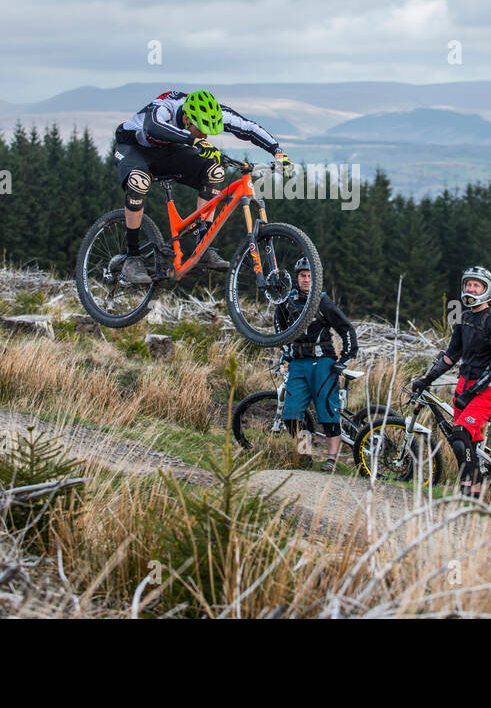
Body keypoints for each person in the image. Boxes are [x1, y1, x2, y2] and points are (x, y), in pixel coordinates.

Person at [112, 89, 292, 284]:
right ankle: (132, 257)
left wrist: (278, 152)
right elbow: (153, 126)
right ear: (188, 118)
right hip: (134, 148)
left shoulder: (213, 113)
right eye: (201, 130)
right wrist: (192, 140)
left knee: (215, 172)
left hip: (169, 150)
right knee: (139, 181)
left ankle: (203, 248)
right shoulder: (166, 107)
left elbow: (249, 128)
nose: (205, 136)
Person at [410, 266, 491, 497]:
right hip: (464, 385)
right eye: (468, 284)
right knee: (464, 442)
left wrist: (472, 391)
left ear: (487, 290)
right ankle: (475, 484)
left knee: (460, 435)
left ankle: (470, 489)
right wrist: (427, 379)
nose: (470, 289)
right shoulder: (464, 317)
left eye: (476, 285)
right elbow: (451, 354)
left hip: (487, 389)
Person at [274, 258, 359, 471]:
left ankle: (331, 460)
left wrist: (345, 359)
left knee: (328, 413)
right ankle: (305, 454)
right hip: (298, 365)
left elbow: (346, 329)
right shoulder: (287, 302)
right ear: (297, 277)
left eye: (310, 276)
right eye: (303, 276)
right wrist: (286, 353)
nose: (306, 280)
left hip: (323, 363)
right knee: (291, 416)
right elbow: (279, 330)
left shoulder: (323, 302)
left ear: (316, 278)